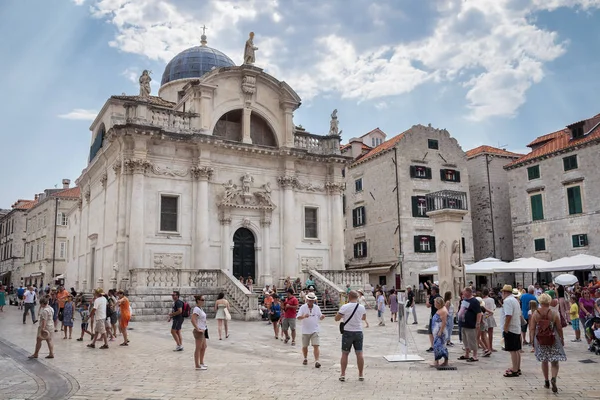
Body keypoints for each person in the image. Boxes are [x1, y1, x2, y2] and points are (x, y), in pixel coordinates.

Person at [530, 293, 566, 392]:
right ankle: (553, 378)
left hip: (541, 339)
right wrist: (562, 339)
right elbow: (559, 328)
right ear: (549, 301)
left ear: (540, 301)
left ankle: (546, 381)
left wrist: (532, 340)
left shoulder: (536, 313)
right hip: (553, 339)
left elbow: (532, 328)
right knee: (554, 361)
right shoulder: (554, 313)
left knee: (544, 360)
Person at [335, 290, 367, 382]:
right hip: (358, 331)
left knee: (345, 353)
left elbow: (337, 318)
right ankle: (361, 374)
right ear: (357, 297)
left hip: (347, 332)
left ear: (349, 297)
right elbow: (364, 318)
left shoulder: (345, 307)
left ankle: (343, 374)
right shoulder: (361, 307)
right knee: (359, 353)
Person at [297, 292, 325, 368]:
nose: (311, 301)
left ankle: (317, 361)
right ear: (307, 300)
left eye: (312, 300)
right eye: (309, 300)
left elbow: (320, 316)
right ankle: (305, 358)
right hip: (305, 330)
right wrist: (303, 316)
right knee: (305, 346)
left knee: (316, 345)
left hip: (315, 329)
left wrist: (322, 317)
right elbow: (298, 317)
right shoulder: (303, 307)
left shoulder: (317, 308)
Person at [501, 285, 523, 377]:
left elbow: (508, 315)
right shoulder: (515, 300)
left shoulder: (507, 301)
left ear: (505, 292)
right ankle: (517, 367)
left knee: (512, 350)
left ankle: (514, 370)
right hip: (516, 328)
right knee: (517, 349)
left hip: (511, 328)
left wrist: (506, 327)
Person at [457, 286, 481, 362]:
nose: (462, 293)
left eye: (464, 292)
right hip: (463, 323)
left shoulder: (474, 301)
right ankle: (467, 354)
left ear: (468, 292)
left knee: (472, 340)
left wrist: (477, 323)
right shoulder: (464, 300)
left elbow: (479, 313)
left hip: (470, 324)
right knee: (465, 340)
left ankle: (475, 355)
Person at [191, 295, 208, 370]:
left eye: (204, 300)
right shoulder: (196, 309)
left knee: (204, 347)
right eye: (202, 299)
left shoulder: (200, 309)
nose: (203, 301)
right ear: (198, 300)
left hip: (204, 329)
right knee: (198, 348)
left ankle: (201, 362)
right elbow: (193, 319)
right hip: (200, 330)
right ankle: (197, 365)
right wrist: (197, 328)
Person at [431, 297, 449, 367]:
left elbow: (444, 322)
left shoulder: (443, 311)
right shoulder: (440, 309)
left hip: (440, 331)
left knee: (438, 345)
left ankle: (439, 361)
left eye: (435, 303)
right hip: (436, 330)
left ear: (439, 303)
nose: (434, 304)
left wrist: (440, 331)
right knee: (438, 345)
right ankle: (438, 361)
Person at [426, 287, 441, 352]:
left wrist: (427, 298)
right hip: (438, 316)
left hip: (434, 316)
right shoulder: (440, 296)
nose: (431, 291)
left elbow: (428, 305)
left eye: (431, 290)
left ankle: (433, 346)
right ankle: (436, 345)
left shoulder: (434, 297)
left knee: (431, 331)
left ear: (434, 291)